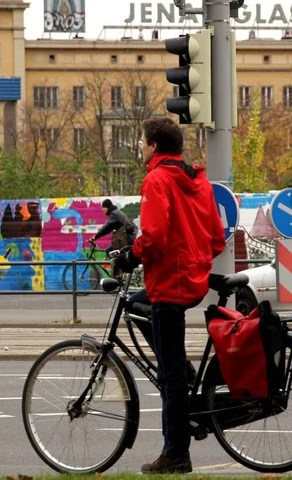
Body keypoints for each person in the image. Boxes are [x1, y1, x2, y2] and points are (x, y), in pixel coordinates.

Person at [114, 117, 226, 474]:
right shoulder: (198, 181)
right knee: (135, 304)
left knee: (170, 376)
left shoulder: (157, 180)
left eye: (143, 142)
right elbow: (217, 238)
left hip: (169, 284)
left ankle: (175, 454)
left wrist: (130, 256)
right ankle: (182, 368)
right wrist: (195, 259)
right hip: (193, 279)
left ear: (155, 146)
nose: (141, 147)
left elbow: (155, 238)